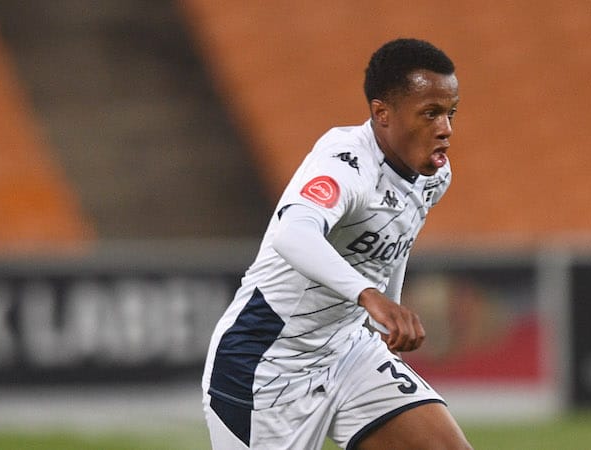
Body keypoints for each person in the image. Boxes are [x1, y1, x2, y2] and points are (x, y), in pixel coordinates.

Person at [202, 38, 472, 450]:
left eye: (450, 113)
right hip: (264, 364)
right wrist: (369, 297)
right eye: (430, 113)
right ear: (382, 113)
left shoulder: (433, 176)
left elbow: (394, 244)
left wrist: (386, 321)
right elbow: (293, 234)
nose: (445, 129)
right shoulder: (345, 162)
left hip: (348, 350)